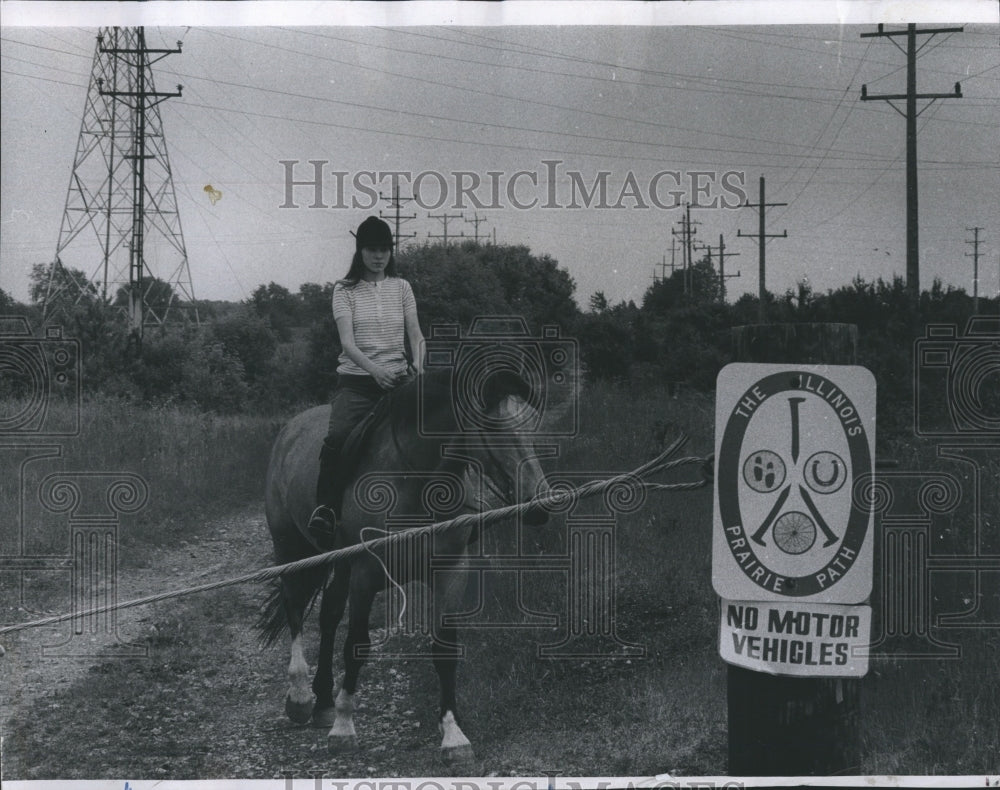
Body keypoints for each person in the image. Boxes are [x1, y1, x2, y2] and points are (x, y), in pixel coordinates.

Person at [308, 216, 424, 548]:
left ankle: (454, 505)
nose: (379, 256)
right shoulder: (344, 291)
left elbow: (415, 333)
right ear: (360, 251)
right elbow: (348, 344)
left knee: (438, 426)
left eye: (385, 249)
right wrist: (375, 371)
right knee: (339, 437)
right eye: (372, 249)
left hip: (400, 379)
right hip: (359, 383)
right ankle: (326, 509)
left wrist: (418, 362)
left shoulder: (402, 288)